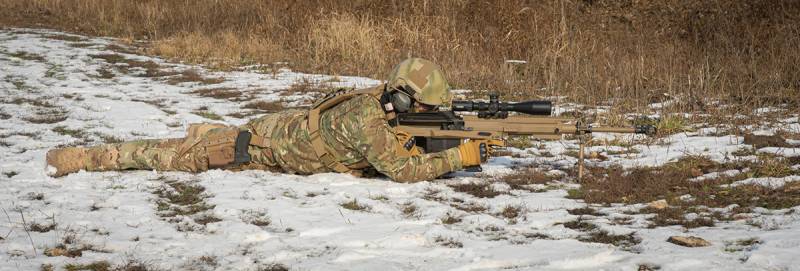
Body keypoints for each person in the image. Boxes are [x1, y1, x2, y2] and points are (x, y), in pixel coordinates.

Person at [45, 58, 487, 182]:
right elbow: (403, 171)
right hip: (252, 148)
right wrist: (458, 158)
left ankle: (205, 134)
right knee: (167, 156)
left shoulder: (379, 99)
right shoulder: (366, 119)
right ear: (403, 98)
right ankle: (82, 158)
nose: (423, 113)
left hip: (273, 134)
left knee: (206, 140)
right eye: (422, 106)